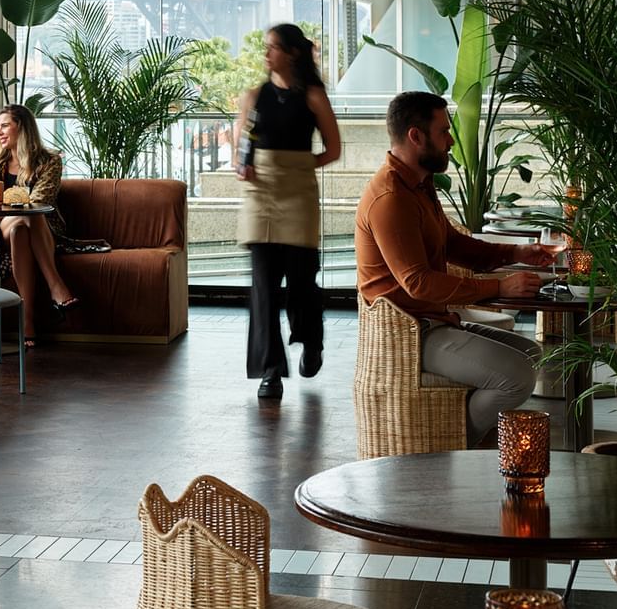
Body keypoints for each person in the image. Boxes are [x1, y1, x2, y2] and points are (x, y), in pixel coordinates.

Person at [355, 91, 557, 442]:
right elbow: (418, 283)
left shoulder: (418, 184)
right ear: (416, 137)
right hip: (409, 333)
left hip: (433, 320)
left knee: (531, 354)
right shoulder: (391, 198)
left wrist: (518, 253)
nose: (450, 141)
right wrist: (499, 288)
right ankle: (453, 445)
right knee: (518, 377)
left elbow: (454, 245)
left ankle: (473, 441)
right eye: (444, 131)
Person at [237, 24, 342, 400]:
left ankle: (311, 341)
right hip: (260, 195)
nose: (266, 55)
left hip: (297, 194)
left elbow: (333, 149)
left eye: (273, 48)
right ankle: (270, 370)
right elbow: (242, 145)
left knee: (300, 283)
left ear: (293, 53)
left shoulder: (313, 97)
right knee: (263, 288)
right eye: (266, 48)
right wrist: (243, 165)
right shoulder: (253, 96)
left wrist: (297, 168)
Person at [0, 104, 84, 347]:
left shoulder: (49, 161)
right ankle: (56, 286)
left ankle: (26, 321)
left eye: (5, 126)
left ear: (22, 127)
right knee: (22, 219)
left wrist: (2, 205)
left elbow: (40, 202)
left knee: (22, 226)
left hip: (41, 228)